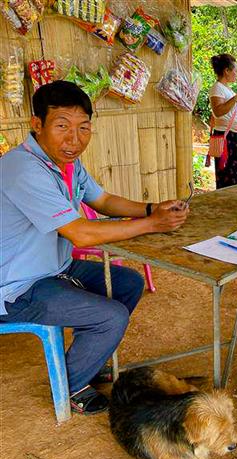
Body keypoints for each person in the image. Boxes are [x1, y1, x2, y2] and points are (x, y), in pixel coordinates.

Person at [0, 81, 189, 415]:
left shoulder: (66, 164)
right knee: (110, 317)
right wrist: (151, 224)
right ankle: (70, 387)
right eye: (62, 127)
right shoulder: (21, 168)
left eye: (83, 128)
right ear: (37, 125)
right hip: (17, 287)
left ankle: (87, 358)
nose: (74, 140)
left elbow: (102, 200)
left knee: (128, 284)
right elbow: (80, 234)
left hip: (55, 269)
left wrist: (151, 208)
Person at [208, 53, 237, 188]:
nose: (236, 74)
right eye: (235, 71)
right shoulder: (217, 88)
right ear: (226, 71)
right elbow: (218, 111)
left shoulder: (226, 89)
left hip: (234, 137)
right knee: (229, 178)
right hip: (227, 138)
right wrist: (235, 99)